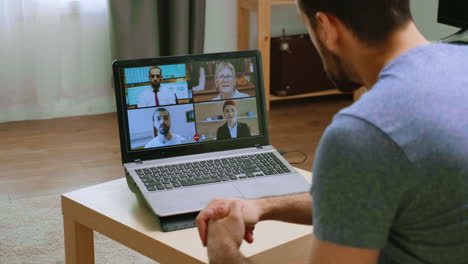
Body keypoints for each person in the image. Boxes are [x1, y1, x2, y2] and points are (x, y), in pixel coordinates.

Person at [196, 0, 468, 263]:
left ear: (325, 27)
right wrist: (263, 206)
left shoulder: (363, 134)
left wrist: (223, 250)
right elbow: (372, 192)